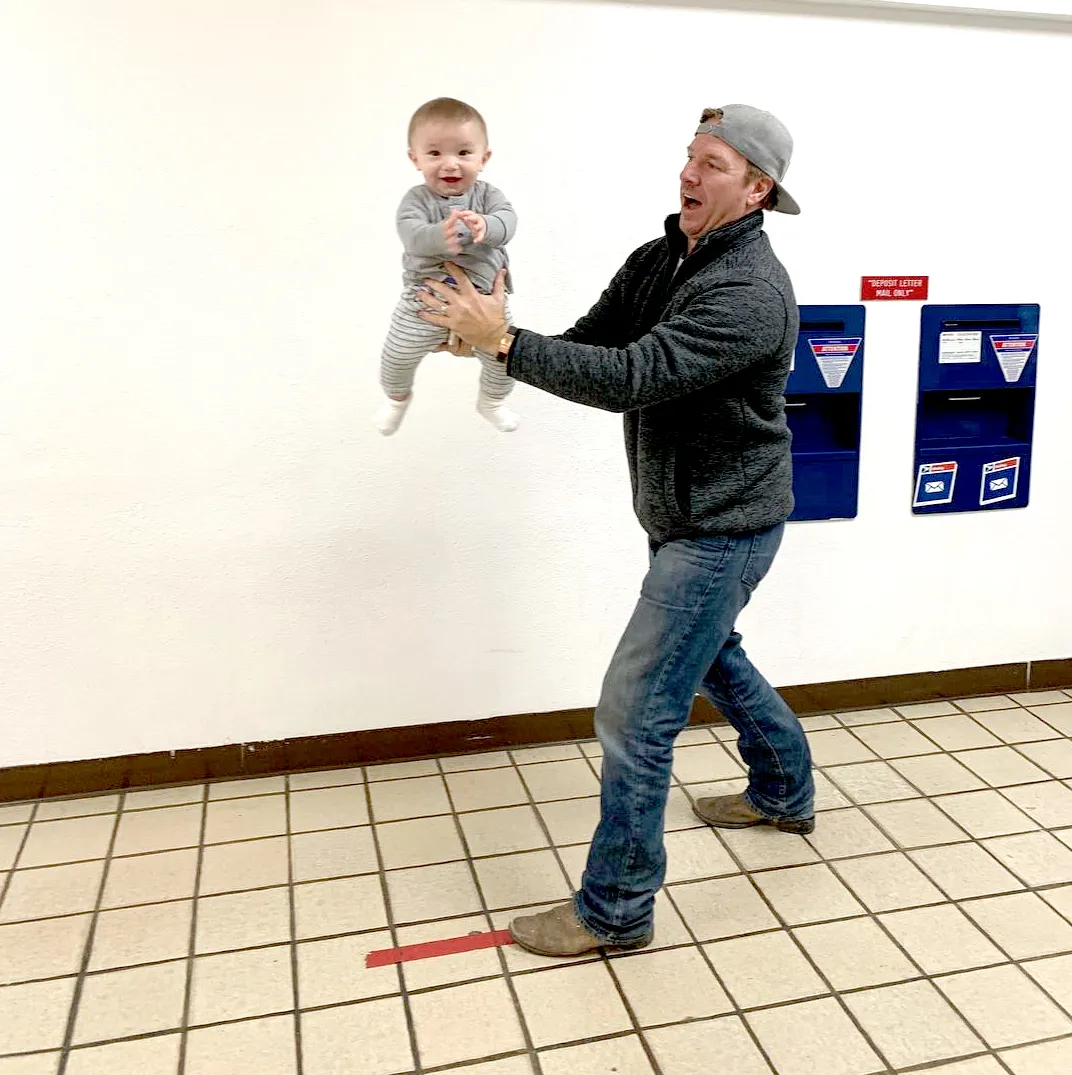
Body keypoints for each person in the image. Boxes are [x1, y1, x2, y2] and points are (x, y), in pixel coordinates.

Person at [418, 103, 815, 958]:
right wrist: (491, 339)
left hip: (724, 527)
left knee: (636, 711)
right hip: (684, 518)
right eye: (689, 157)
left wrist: (509, 344)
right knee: (715, 656)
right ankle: (785, 792)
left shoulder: (748, 291)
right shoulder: (661, 256)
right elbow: (590, 344)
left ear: (756, 188)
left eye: (712, 164)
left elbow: (631, 376)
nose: (688, 175)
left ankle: (616, 909)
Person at [374, 97, 520, 436]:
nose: (450, 164)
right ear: (415, 158)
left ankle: (492, 401)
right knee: (397, 355)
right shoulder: (416, 200)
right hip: (423, 303)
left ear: (484, 158)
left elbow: (509, 221)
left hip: (487, 304)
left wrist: (487, 226)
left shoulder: (488, 196)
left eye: (464, 153)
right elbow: (411, 234)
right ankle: (396, 398)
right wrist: (438, 236)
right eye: (435, 153)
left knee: (507, 356)